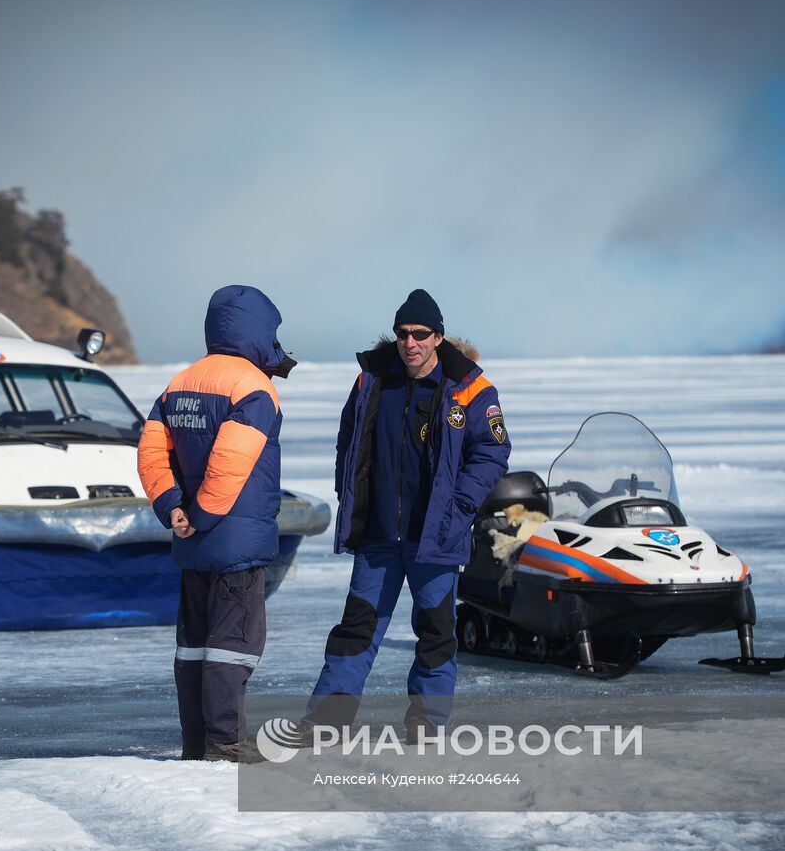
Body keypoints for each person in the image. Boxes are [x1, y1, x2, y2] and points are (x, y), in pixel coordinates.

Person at [306, 288, 510, 740]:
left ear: (439, 337)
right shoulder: (372, 380)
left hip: (435, 536)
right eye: (402, 334)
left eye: (420, 334)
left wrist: (459, 506)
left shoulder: (471, 388)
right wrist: (349, 491)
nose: (410, 342)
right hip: (379, 535)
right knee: (355, 631)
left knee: (435, 634)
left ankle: (426, 727)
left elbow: (493, 453)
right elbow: (348, 441)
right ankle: (325, 725)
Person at [137, 285, 296, 763]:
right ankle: (223, 741)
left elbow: (150, 452)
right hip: (233, 541)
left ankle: (196, 741)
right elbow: (231, 460)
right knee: (233, 644)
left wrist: (173, 510)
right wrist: (202, 516)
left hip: (193, 540)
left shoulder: (180, 382)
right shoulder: (252, 387)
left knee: (194, 645)